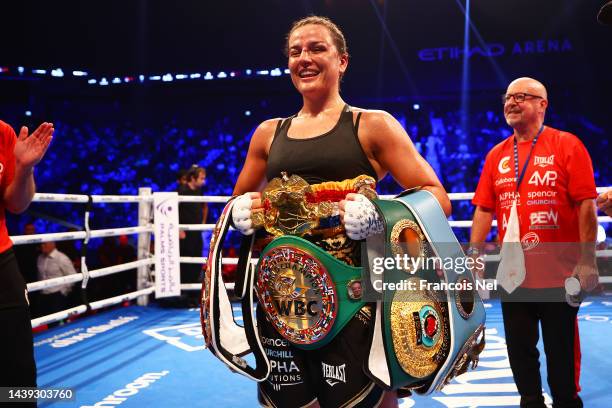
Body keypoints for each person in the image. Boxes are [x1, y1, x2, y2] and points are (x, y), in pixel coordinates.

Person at [230, 16, 450, 408]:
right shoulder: (267, 133)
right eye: (295, 51)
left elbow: (437, 197)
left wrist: (380, 213)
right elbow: (238, 202)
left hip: (355, 298)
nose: (304, 58)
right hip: (283, 300)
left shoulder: (372, 125)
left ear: (342, 61)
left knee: (367, 399)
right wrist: (239, 212)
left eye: (317, 48)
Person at [469, 77, 598, 408]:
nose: (511, 103)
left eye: (521, 97)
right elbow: (484, 208)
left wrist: (588, 260)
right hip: (514, 275)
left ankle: (567, 401)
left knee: (561, 351)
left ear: (542, 104)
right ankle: (530, 401)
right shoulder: (496, 154)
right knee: (519, 349)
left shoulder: (567, 145)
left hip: (560, 273)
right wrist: (474, 255)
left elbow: (586, 204)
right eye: (508, 98)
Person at [0, 120, 54, 394]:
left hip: (1, 261)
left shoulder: (2, 132)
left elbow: (17, 204)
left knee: (18, 369)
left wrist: (24, 168)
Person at [178, 165, 208, 284]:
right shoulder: (182, 191)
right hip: (185, 233)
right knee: (186, 263)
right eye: (201, 178)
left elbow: (205, 206)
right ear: (193, 178)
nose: (203, 181)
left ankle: (192, 294)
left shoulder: (199, 191)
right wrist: (178, 228)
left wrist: (203, 222)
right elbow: (173, 209)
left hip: (197, 232)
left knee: (197, 261)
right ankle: (185, 293)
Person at [37, 241, 78, 314]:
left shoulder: (61, 258)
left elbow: (73, 276)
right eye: (41, 244)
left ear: (52, 244)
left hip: (57, 295)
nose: (42, 246)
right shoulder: (40, 257)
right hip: (42, 295)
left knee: (56, 322)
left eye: (44, 244)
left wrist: (63, 291)